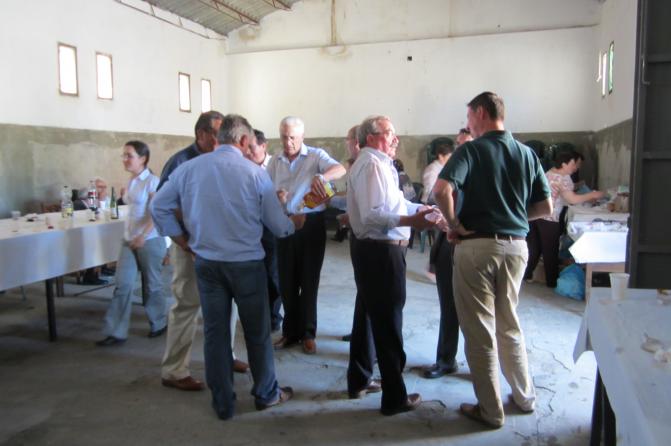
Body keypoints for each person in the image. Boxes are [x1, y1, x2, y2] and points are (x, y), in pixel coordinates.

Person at [151, 114, 305, 420]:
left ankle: (222, 402)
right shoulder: (254, 173)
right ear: (244, 140)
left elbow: (158, 206)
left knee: (215, 332)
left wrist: (183, 242)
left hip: (207, 264)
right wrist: (294, 225)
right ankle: (266, 393)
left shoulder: (189, 169)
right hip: (246, 265)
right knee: (257, 332)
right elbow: (277, 225)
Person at [433, 92, 552, 428]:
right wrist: (513, 218)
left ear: (481, 113)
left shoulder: (471, 150)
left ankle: (490, 410)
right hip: (517, 248)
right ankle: (525, 397)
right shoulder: (527, 154)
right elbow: (546, 207)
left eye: (469, 117)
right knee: (509, 324)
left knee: (479, 330)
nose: (468, 124)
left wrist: (454, 224)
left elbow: (441, 190)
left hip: (477, 247)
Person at [347, 115, 435, 416]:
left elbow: (394, 204)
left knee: (367, 317)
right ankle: (395, 397)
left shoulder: (380, 164)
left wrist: (422, 209)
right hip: (380, 252)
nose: (396, 138)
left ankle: (359, 379)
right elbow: (373, 216)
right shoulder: (372, 165)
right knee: (388, 323)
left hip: (374, 250)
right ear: (371, 137)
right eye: (389, 133)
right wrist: (412, 221)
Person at [157, 111, 249, 392]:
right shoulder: (181, 162)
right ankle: (174, 370)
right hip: (189, 246)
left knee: (228, 303)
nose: (222, 139)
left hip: (219, 246)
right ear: (201, 134)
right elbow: (163, 205)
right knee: (187, 303)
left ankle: (225, 355)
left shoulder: (222, 160)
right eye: (217, 134)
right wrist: (184, 241)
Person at [267, 116, 346, 355]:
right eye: (284, 137)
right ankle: (290, 332)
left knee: (309, 281)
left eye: (292, 137)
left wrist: (323, 177)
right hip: (284, 222)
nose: (288, 142)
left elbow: (340, 168)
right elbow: (265, 191)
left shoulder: (315, 155)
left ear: (302, 136)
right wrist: (276, 197)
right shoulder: (275, 161)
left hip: (311, 224)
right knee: (287, 282)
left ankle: (309, 334)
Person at [96, 141, 168, 346]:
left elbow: (156, 212)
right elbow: (133, 208)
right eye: (124, 155)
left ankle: (159, 322)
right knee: (122, 284)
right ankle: (115, 331)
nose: (125, 159)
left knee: (152, 285)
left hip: (149, 240)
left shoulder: (152, 181)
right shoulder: (132, 181)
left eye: (129, 155)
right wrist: (122, 197)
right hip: (129, 239)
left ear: (143, 158)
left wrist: (143, 235)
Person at [524, 151, 605, 287]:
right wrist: (593, 195)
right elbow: (571, 199)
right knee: (550, 250)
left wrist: (580, 188)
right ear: (564, 164)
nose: (576, 168)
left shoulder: (550, 172)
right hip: (549, 217)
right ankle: (552, 282)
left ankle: (525, 275)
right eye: (574, 164)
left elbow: (564, 192)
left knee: (535, 248)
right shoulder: (563, 178)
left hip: (535, 215)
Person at [421, 138, 460, 379]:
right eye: (459, 145)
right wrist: (451, 223)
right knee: (449, 305)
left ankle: (483, 363)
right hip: (450, 239)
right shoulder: (447, 173)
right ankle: (446, 358)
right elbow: (436, 194)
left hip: (478, 244)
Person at [248, 129, 283, 332]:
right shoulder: (243, 167)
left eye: (252, 148)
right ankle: (257, 314)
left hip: (271, 227)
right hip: (250, 226)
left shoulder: (277, 165)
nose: (248, 152)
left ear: (263, 146)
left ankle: (273, 317)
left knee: (272, 273)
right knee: (252, 273)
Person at [421, 138, 454, 204]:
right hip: (430, 202)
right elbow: (430, 191)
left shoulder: (443, 168)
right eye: (449, 157)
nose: (451, 160)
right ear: (441, 156)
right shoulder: (432, 169)